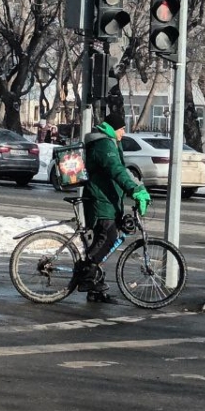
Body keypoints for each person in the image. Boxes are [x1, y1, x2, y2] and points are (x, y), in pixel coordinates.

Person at [77, 109, 151, 303]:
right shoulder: (103, 144)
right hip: (101, 200)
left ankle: (96, 288)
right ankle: (86, 276)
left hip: (108, 199)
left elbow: (122, 170)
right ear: (112, 128)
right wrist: (133, 190)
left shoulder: (110, 142)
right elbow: (115, 169)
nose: (123, 133)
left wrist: (137, 186)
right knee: (107, 237)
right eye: (122, 129)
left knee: (103, 242)